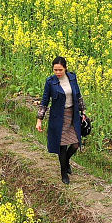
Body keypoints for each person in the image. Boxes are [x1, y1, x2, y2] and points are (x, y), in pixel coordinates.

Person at [35, 56, 86, 184]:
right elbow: (45, 101)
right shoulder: (50, 82)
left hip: (72, 114)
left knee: (75, 144)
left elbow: (78, 96)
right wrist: (39, 119)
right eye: (55, 70)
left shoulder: (72, 78)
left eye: (60, 70)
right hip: (59, 117)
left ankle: (66, 161)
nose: (57, 72)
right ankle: (64, 172)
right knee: (62, 146)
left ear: (65, 68)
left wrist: (83, 112)